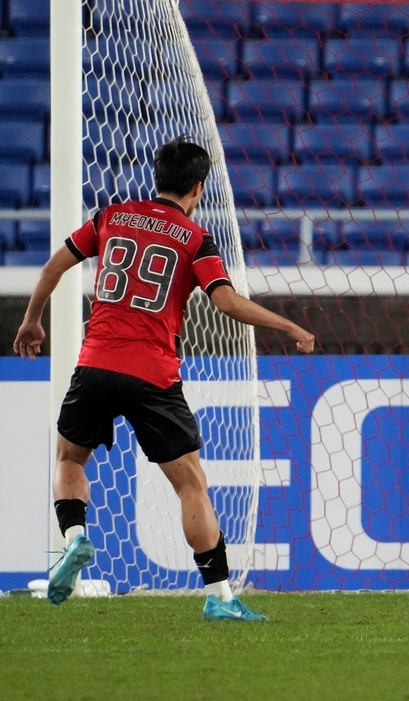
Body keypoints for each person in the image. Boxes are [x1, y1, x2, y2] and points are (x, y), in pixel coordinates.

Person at [13, 136, 315, 622]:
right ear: (198, 187)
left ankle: (75, 538)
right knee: (191, 483)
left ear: (158, 178)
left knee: (70, 457)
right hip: (153, 372)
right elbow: (227, 303)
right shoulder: (194, 239)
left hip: (94, 363)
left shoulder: (112, 216)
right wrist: (290, 326)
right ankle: (219, 598)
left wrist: (31, 320)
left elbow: (55, 265)